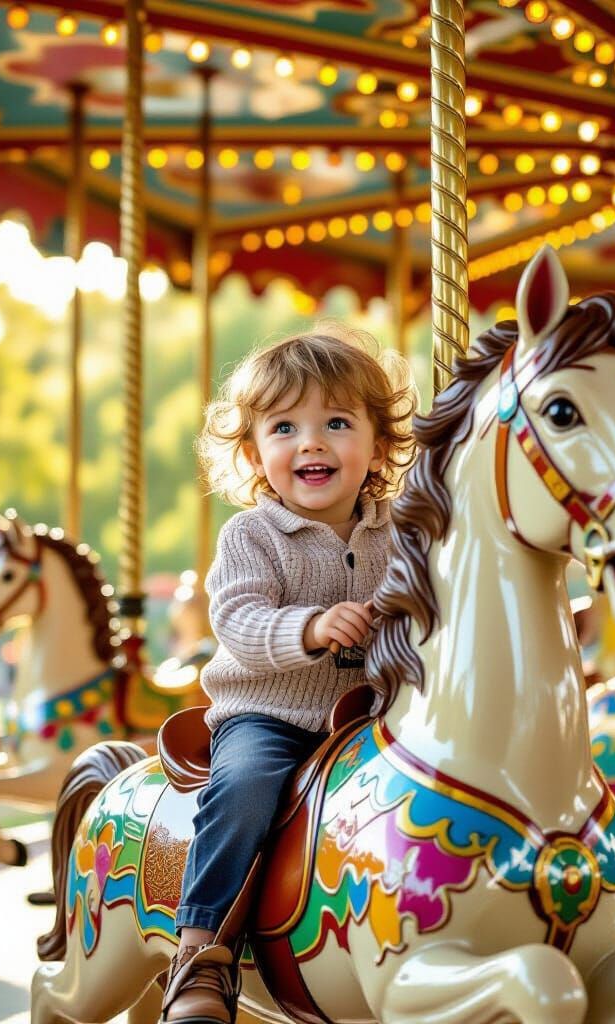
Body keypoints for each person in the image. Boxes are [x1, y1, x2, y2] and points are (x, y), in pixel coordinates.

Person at [161, 326, 416, 1024]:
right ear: (254, 453)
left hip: (375, 720)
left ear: (378, 446)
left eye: (337, 422)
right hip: (270, 716)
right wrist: (308, 627)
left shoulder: (403, 531)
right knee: (243, 789)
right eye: (285, 427)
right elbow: (237, 620)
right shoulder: (251, 536)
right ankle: (201, 953)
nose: (311, 442)